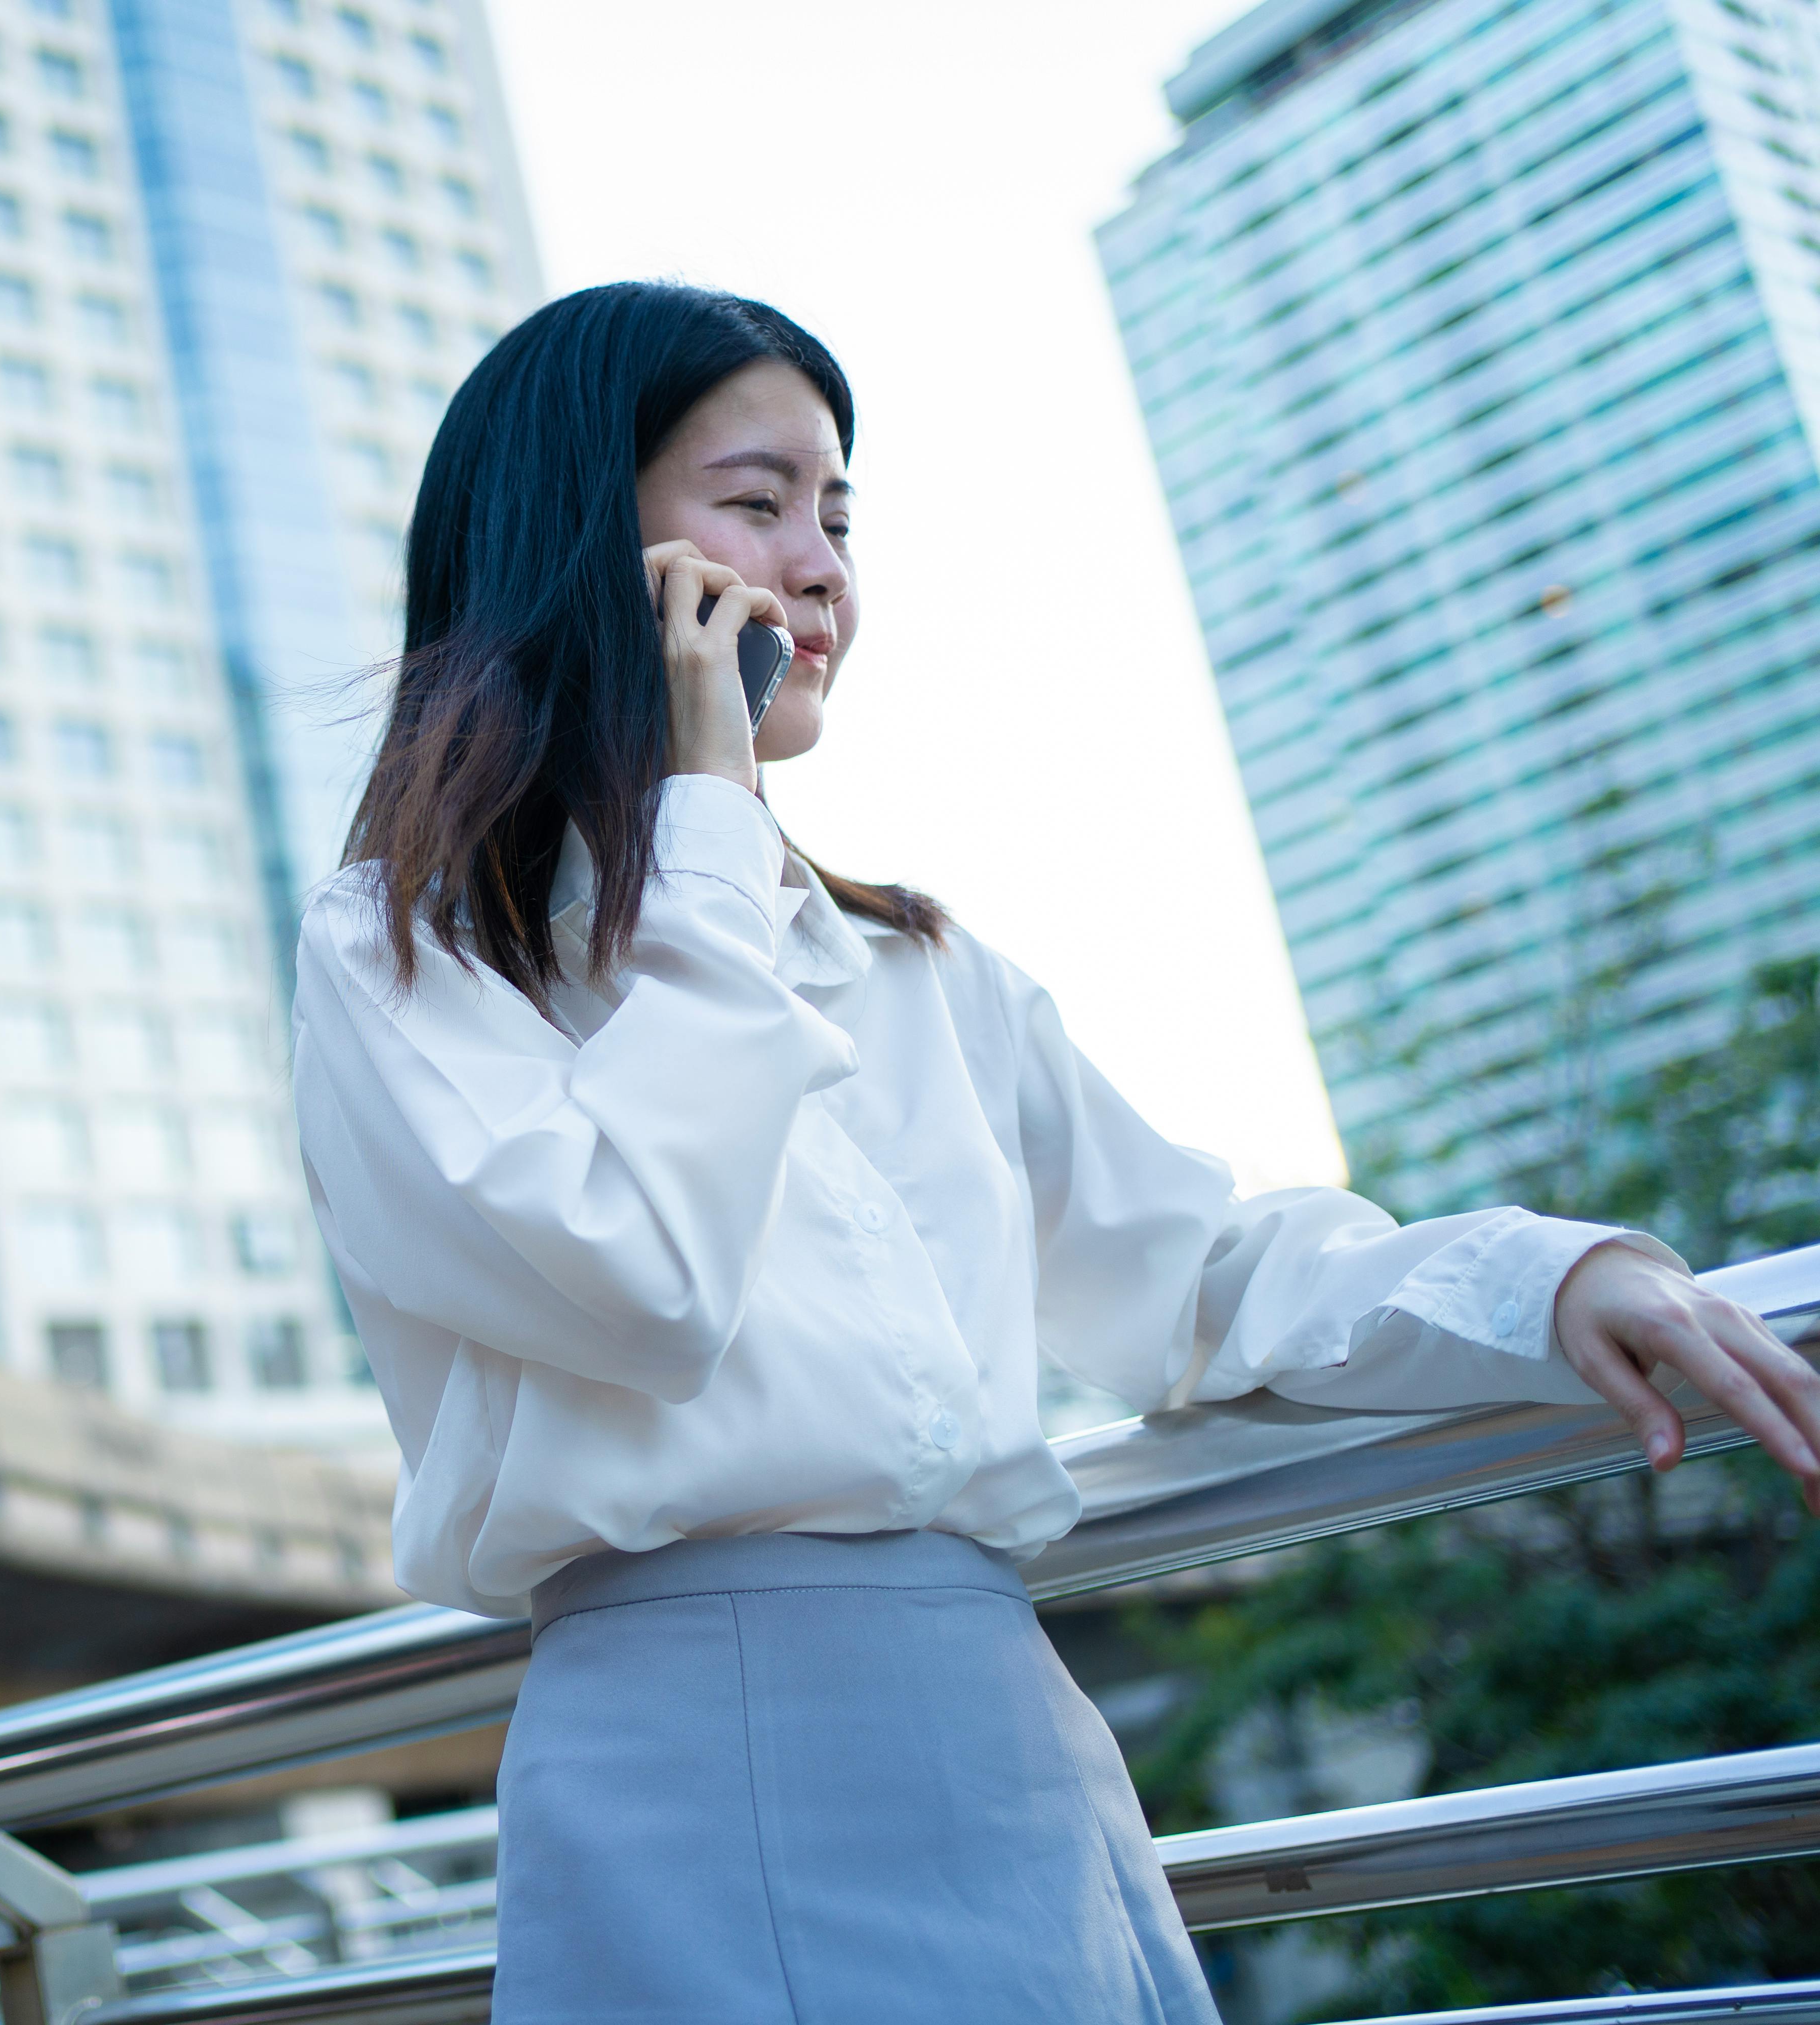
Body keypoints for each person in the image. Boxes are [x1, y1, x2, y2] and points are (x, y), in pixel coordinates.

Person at [288, 281, 1820, 2023]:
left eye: (841, 514)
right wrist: (705, 816)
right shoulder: (406, 956)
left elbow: (1196, 1277)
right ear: (588, 533)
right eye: (759, 500)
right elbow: (640, 1282)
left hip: (1015, 1734)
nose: (824, 566)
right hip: (699, 1768)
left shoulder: (920, 971)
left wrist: (1553, 1276)